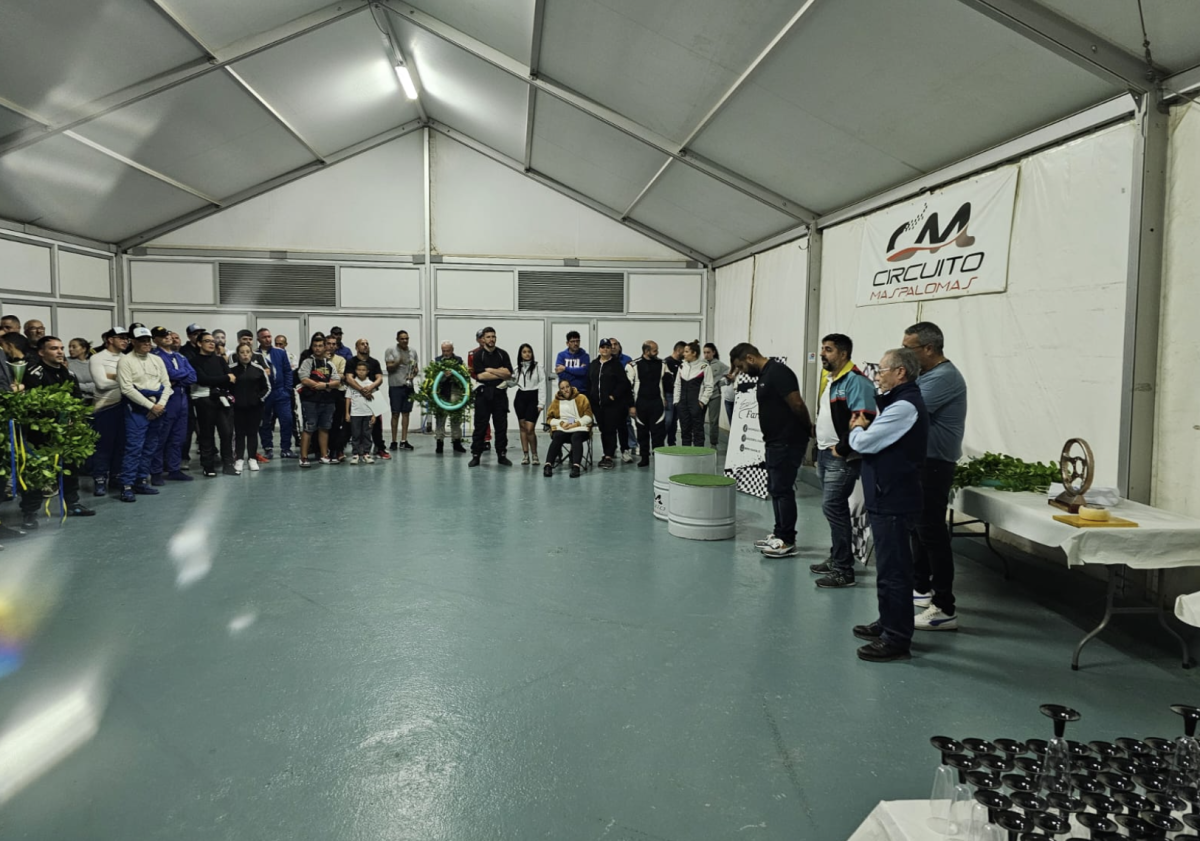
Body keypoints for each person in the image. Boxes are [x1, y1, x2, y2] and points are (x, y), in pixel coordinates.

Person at [848, 348, 929, 663]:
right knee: (887, 568)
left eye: (882, 370)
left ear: (900, 372)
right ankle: (889, 621)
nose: (878, 376)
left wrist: (857, 428)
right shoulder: (897, 403)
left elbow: (866, 443)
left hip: (894, 499)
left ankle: (896, 639)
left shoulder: (905, 407)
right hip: (887, 496)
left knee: (894, 571)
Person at [902, 322, 968, 632]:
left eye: (909, 349)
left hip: (935, 464)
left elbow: (907, 410)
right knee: (919, 530)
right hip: (922, 461)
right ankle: (921, 587)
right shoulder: (925, 375)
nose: (905, 354)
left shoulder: (944, 377)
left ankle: (944, 607)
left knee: (932, 533)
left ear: (928, 348)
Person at [730, 344, 811, 558]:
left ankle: (787, 540)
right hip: (775, 442)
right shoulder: (766, 374)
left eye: (742, 367)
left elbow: (797, 404)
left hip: (787, 441)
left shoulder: (778, 372)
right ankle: (779, 533)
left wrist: (807, 429)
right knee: (775, 488)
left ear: (750, 358)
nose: (743, 372)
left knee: (782, 490)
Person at [810, 334, 878, 589]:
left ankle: (843, 570)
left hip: (842, 457)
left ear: (843, 353)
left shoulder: (856, 381)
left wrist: (842, 448)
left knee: (833, 507)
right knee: (834, 509)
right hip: (825, 454)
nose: (822, 354)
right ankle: (838, 556)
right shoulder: (831, 379)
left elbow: (864, 419)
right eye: (822, 349)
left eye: (828, 350)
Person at [17, 336, 96, 525]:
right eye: (54, 348)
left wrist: (73, 419)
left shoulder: (68, 375)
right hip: (38, 432)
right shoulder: (33, 374)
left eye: (61, 348)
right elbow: (32, 404)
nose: (60, 352)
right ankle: (30, 512)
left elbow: (77, 399)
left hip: (65, 431)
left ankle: (72, 503)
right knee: (36, 472)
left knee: (70, 468)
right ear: (41, 352)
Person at [115, 326, 173, 502]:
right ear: (133, 342)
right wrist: (150, 406)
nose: (147, 343)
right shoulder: (125, 361)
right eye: (142, 341)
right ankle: (127, 485)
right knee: (134, 448)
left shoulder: (157, 359)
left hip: (158, 408)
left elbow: (167, 385)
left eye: (148, 340)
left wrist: (160, 406)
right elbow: (126, 388)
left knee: (150, 447)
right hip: (136, 410)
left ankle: (141, 481)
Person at [150, 326, 196, 484]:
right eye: (163, 336)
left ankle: (174, 469)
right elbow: (168, 374)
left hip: (181, 398)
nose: (167, 337)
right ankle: (156, 471)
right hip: (167, 399)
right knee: (161, 437)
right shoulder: (156, 356)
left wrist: (178, 378)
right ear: (155, 340)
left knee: (178, 437)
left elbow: (193, 376)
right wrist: (180, 375)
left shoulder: (179, 356)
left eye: (168, 334)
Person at [88, 327, 129, 496]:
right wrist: (126, 381)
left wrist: (113, 377)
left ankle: (115, 477)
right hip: (104, 408)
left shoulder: (126, 358)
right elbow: (102, 384)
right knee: (103, 446)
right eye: (121, 338)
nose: (125, 341)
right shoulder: (97, 358)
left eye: (126, 338)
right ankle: (99, 479)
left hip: (124, 406)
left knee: (121, 445)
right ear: (110, 340)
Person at [192, 332, 237, 477]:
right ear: (199, 343)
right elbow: (203, 379)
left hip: (221, 400)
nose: (212, 343)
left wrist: (221, 379)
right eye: (207, 341)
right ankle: (208, 465)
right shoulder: (194, 361)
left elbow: (232, 379)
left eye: (213, 341)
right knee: (207, 434)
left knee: (226, 433)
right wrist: (224, 378)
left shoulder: (220, 360)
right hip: (204, 400)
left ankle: (228, 464)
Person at [468, 327, 513, 468]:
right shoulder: (478, 355)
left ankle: (502, 455)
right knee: (480, 426)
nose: (491, 339)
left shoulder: (502, 354)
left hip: (500, 395)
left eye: (493, 336)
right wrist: (500, 372)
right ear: (483, 339)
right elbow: (481, 376)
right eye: (488, 337)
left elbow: (508, 374)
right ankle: (476, 455)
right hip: (483, 395)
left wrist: (490, 370)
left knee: (501, 427)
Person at [588, 339, 632, 470]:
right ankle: (606, 452)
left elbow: (624, 383)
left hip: (612, 405)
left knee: (610, 429)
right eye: (603, 347)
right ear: (599, 349)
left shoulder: (616, 365)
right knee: (603, 430)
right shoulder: (594, 364)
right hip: (597, 404)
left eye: (607, 347)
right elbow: (589, 381)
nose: (605, 349)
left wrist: (613, 395)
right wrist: (591, 397)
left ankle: (608, 456)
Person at [297, 333, 339, 468]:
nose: (317, 348)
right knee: (309, 427)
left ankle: (324, 455)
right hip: (310, 401)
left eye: (320, 346)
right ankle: (303, 457)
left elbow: (337, 381)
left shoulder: (330, 364)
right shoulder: (308, 362)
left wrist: (325, 386)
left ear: (325, 347)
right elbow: (304, 378)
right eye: (315, 346)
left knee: (325, 427)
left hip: (327, 401)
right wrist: (317, 385)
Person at [254, 327, 297, 461]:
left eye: (269, 336)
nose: (268, 339)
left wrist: (287, 389)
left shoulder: (280, 352)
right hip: (264, 393)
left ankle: (286, 448)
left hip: (281, 391)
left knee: (287, 419)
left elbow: (287, 371)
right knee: (265, 421)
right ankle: (268, 448)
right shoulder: (254, 354)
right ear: (258, 339)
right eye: (264, 337)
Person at [627, 341, 669, 468]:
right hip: (640, 404)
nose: (657, 352)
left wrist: (665, 397)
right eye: (655, 350)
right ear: (646, 351)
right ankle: (644, 458)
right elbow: (627, 388)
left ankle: (660, 459)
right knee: (642, 433)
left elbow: (668, 382)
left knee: (658, 434)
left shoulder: (662, 364)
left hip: (657, 403)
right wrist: (631, 406)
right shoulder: (633, 365)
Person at [346, 338, 390, 460]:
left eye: (367, 344)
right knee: (352, 426)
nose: (365, 346)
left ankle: (379, 448)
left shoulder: (374, 362)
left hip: (373, 395)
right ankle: (350, 450)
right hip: (356, 396)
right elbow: (349, 378)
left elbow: (379, 378)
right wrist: (362, 390)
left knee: (376, 424)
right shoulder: (351, 362)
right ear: (356, 347)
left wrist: (370, 387)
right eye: (362, 344)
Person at [230, 344, 270, 473]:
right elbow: (226, 387)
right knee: (239, 434)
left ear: (251, 354)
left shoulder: (258, 369)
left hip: (254, 408)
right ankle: (239, 459)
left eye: (248, 352)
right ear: (238, 354)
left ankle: (252, 458)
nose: (245, 355)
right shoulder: (231, 369)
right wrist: (231, 401)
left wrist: (259, 399)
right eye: (242, 352)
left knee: (252, 433)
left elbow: (267, 387)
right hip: (237, 408)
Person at [543, 378, 592, 479]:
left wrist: (575, 423)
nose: (565, 390)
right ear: (560, 390)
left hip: (580, 428)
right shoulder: (556, 401)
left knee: (576, 437)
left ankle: (576, 467)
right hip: (563, 428)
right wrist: (561, 423)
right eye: (562, 388)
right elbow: (549, 419)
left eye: (567, 387)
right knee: (557, 436)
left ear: (571, 387)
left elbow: (589, 416)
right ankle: (548, 465)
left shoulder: (581, 398)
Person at [673, 341, 715, 447]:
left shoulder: (704, 367)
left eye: (686, 352)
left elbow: (709, 386)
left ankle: (699, 453)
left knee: (698, 430)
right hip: (682, 403)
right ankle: (686, 453)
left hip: (696, 403)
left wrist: (702, 402)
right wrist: (677, 402)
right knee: (685, 430)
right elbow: (677, 385)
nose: (684, 354)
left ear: (694, 353)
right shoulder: (682, 366)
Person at [384, 330, 419, 452]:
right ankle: (393, 441)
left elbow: (415, 368)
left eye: (406, 338)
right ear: (397, 339)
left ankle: (404, 440)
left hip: (408, 386)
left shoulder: (413, 351)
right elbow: (389, 368)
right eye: (402, 338)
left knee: (406, 413)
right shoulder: (391, 350)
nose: (405, 341)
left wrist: (413, 375)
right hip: (395, 386)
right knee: (395, 413)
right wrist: (398, 361)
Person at [512, 343, 546, 465]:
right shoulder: (517, 368)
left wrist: (541, 403)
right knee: (522, 427)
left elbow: (542, 385)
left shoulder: (538, 367)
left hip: (534, 397)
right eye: (524, 352)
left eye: (529, 352)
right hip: (520, 397)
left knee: (530, 428)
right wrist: (505, 377)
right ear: (520, 354)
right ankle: (525, 455)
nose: (527, 354)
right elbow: (512, 383)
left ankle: (534, 454)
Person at [432, 341, 467, 454]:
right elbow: (433, 377)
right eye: (443, 351)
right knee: (440, 419)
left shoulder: (458, 360)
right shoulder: (437, 361)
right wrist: (443, 376)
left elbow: (463, 375)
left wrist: (454, 375)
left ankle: (457, 442)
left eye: (448, 350)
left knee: (456, 418)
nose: (446, 353)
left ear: (452, 350)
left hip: (455, 391)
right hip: (441, 393)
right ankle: (439, 443)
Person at [179, 323, 206, 470]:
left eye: (201, 333)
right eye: (195, 334)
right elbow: (191, 372)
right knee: (188, 427)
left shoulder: (206, 350)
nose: (198, 336)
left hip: (204, 393)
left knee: (206, 426)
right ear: (189, 336)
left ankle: (208, 455)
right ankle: (184, 457)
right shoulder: (184, 352)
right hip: (188, 392)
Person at [345, 359, 383, 464]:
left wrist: (374, 415)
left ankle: (366, 453)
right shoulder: (353, 384)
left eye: (363, 370)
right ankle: (356, 454)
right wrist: (347, 413)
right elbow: (348, 399)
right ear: (355, 371)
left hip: (368, 414)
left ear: (368, 371)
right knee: (355, 434)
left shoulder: (371, 384)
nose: (361, 372)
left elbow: (375, 400)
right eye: (359, 370)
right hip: (355, 414)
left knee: (367, 434)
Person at [323, 334, 348, 462]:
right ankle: (321, 450)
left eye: (334, 344)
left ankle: (336, 449)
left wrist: (326, 376)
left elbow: (342, 376)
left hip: (338, 393)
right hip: (322, 393)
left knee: (337, 423)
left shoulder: (341, 359)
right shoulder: (318, 359)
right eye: (329, 343)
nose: (331, 346)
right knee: (323, 424)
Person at [611, 338, 636, 460]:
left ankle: (631, 446)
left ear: (619, 346)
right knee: (611, 425)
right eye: (611, 345)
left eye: (616, 344)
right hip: (611, 397)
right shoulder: (605, 360)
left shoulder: (627, 360)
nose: (613, 347)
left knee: (626, 423)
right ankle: (612, 449)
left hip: (624, 397)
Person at [702, 343, 729, 447]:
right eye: (704, 352)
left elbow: (731, 374)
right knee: (699, 420)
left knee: (713, 420)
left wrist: (721, 383)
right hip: (702, 396)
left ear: (713, 352)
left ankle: (713, 444)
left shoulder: (719, 365)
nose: (706, 355)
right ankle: (699, 442)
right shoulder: (700, 364)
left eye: (708, 352)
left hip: (715, 395)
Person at [663, 341, 685, 445]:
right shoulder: (666, 362)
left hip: (678, 395)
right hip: (668, 395)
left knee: (674, 421)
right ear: (679, 350)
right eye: (684, 351)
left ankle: (672, 442)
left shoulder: (682, 364)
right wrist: (663, 397)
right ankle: (659, 441)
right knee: (667, 421)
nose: (685, 354)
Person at [554, 331, 590, 395]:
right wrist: (578, 375)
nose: (575, 343)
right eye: (573, 341)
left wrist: (565, 368)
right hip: (565, 392)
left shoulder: (585, 356)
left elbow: (583, 371)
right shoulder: (561, 355)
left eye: (577, 341)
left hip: (581, 391)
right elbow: (560, 373)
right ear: (567, 343)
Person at [67, 338, 95, 403]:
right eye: (69, 347)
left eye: (74, 347)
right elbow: (69, 384)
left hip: (94, 399)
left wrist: (80, 386)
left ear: (84, 349)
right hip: (75, 400)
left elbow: (99, 384)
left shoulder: (93, 362)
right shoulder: (66, 362)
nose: (70, 349)